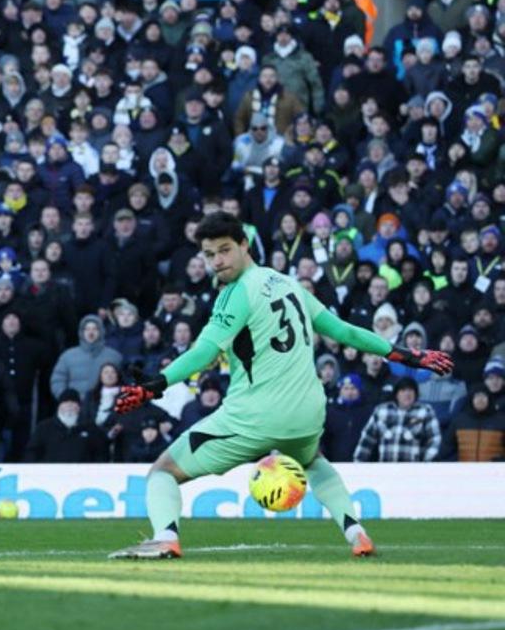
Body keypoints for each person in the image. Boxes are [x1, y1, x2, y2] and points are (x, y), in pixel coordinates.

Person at [109, 212, 452, 560]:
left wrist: (155, 384)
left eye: (224, 250)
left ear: (245, 245)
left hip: (254, 416)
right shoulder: (290, 284)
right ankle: (356, 533)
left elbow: (204, 352)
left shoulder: (235, 293)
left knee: (163, 472)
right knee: (313, 462)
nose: (217, 262)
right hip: (307, 414)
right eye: (209, 254)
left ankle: (165, 538)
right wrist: (404, 354)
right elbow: (344, 331)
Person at [353, 378, 443, 463]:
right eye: (403, 390)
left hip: (414, 469)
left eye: (410, 391)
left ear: (416, 394)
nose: (407, 394)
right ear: (396, 394)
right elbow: (367, 438)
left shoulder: (425, 411)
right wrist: (358, 463)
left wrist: (427, 463)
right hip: (386, 468)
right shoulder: (381, 410)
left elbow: (435, 439)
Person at [23, 390, 107, 462]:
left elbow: (100, 453)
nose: (69, 405)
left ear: (79, 407)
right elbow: (32, 453)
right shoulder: (44, 427)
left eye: (73, 402)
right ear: (59, 406)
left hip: (82, 474)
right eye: (65, 402)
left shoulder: (91, 428)